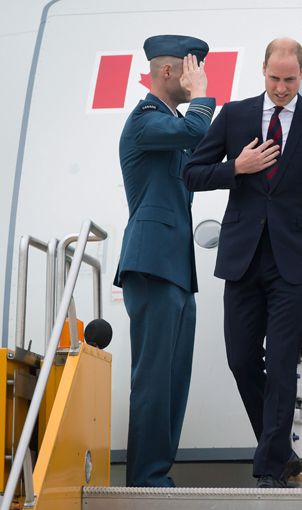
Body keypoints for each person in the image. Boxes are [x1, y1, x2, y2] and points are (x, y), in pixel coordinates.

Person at [183, 38, 302, 488]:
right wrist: (236, 167)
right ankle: (280, 452)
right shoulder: (236, 114)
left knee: (282, 362)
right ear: (262, 70)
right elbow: (191, 173)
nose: (281, 88)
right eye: (274, 78)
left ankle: (268, 470)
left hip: (294, 261)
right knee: (241, 359)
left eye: (290, 79)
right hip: (243, 256)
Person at [113, 35, 215, 487]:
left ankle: (157, 473)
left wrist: (245, 166)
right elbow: (194, 131)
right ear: (169, 72)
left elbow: (198, 166)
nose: (196, 77)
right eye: (191, 69)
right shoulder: (145, 121)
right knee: (154, 379)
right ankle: (147, 478)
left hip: (175, 268)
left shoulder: (171, 127)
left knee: (173, 381)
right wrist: (203, 94)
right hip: (152, 264)